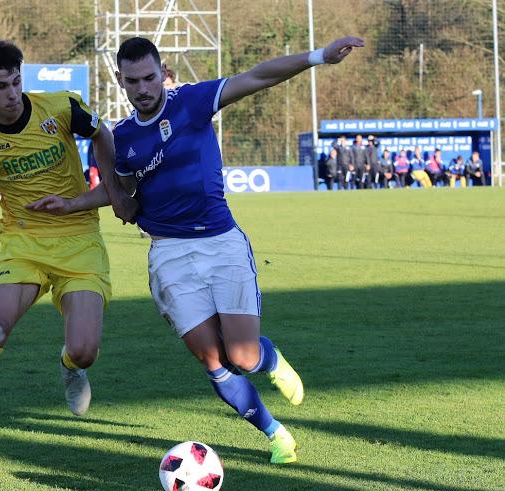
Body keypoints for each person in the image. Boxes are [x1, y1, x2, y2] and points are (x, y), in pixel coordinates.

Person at [37, 35, 363, 465]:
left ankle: (271, 358)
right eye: (132, 80)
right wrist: (77, 202)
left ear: (162, 72)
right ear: (120, 81)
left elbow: (258, 76)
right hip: (169, 255)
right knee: (213, 359)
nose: (143, 88)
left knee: (243, 356)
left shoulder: (192, 101)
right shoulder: (123, 137)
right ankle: (275, 434)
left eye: (150, 77)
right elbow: (125, 196)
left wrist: (319, 57)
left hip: (220, 243)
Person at [0, 40, 137, 473]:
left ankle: (69, 365)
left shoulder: (61, 107)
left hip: (79, 241)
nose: (12, 93)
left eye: (17, 82)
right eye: (0, 86)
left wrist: (111, 189)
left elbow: (103, 133)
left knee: (84, 350)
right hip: (23, 245)